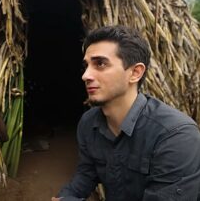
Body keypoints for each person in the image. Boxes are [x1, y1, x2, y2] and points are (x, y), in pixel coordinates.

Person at [52, 25, 200, 201]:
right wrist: (66, 196)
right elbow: (86, 173)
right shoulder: (88, 123)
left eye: (100, 63)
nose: (86, 75)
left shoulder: (176, 135)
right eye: (86, 65)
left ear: (135, 73)